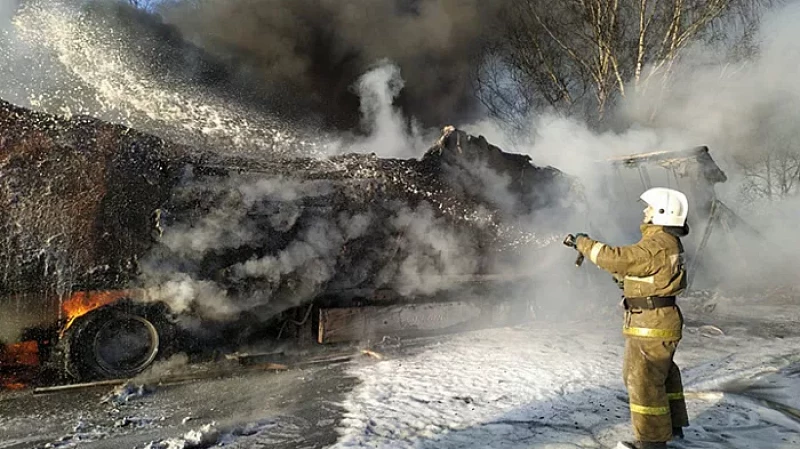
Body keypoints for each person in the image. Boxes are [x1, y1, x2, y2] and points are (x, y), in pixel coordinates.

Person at [564, 187, 691, 449]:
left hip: (651, 322)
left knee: (642, 381)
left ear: (662, 212)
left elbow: (617, 258)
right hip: (655, 319)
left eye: (650, 208)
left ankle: (652, 442)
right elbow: (651, 275)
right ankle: (671, 426)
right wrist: (629, 281)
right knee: (661, 375)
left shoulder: (658, 244)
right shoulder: (665, 243)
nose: (645, 211)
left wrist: (583, 243)